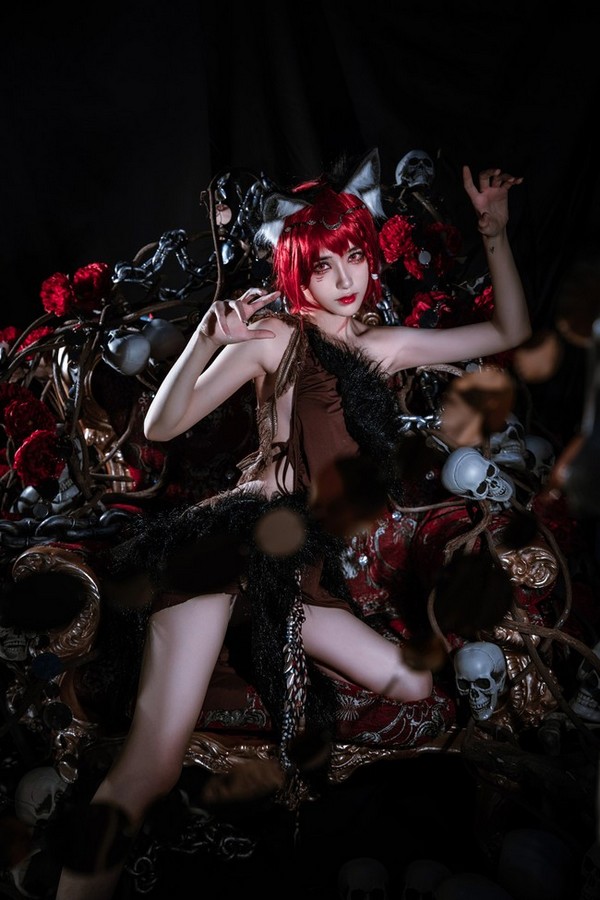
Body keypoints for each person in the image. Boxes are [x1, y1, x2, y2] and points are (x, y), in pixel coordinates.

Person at [55, 149, 530, 899]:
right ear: (296, 273)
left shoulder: (381, 348)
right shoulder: (279, 337)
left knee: (411, 684)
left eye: (353, 258)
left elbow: (509, 328)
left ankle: (252, 631)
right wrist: (208, 339)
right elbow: (162, 425)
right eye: (323, 267)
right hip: (230, 544)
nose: (344, 280)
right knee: (152, 767)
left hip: (296, 563)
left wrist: (493, 232)